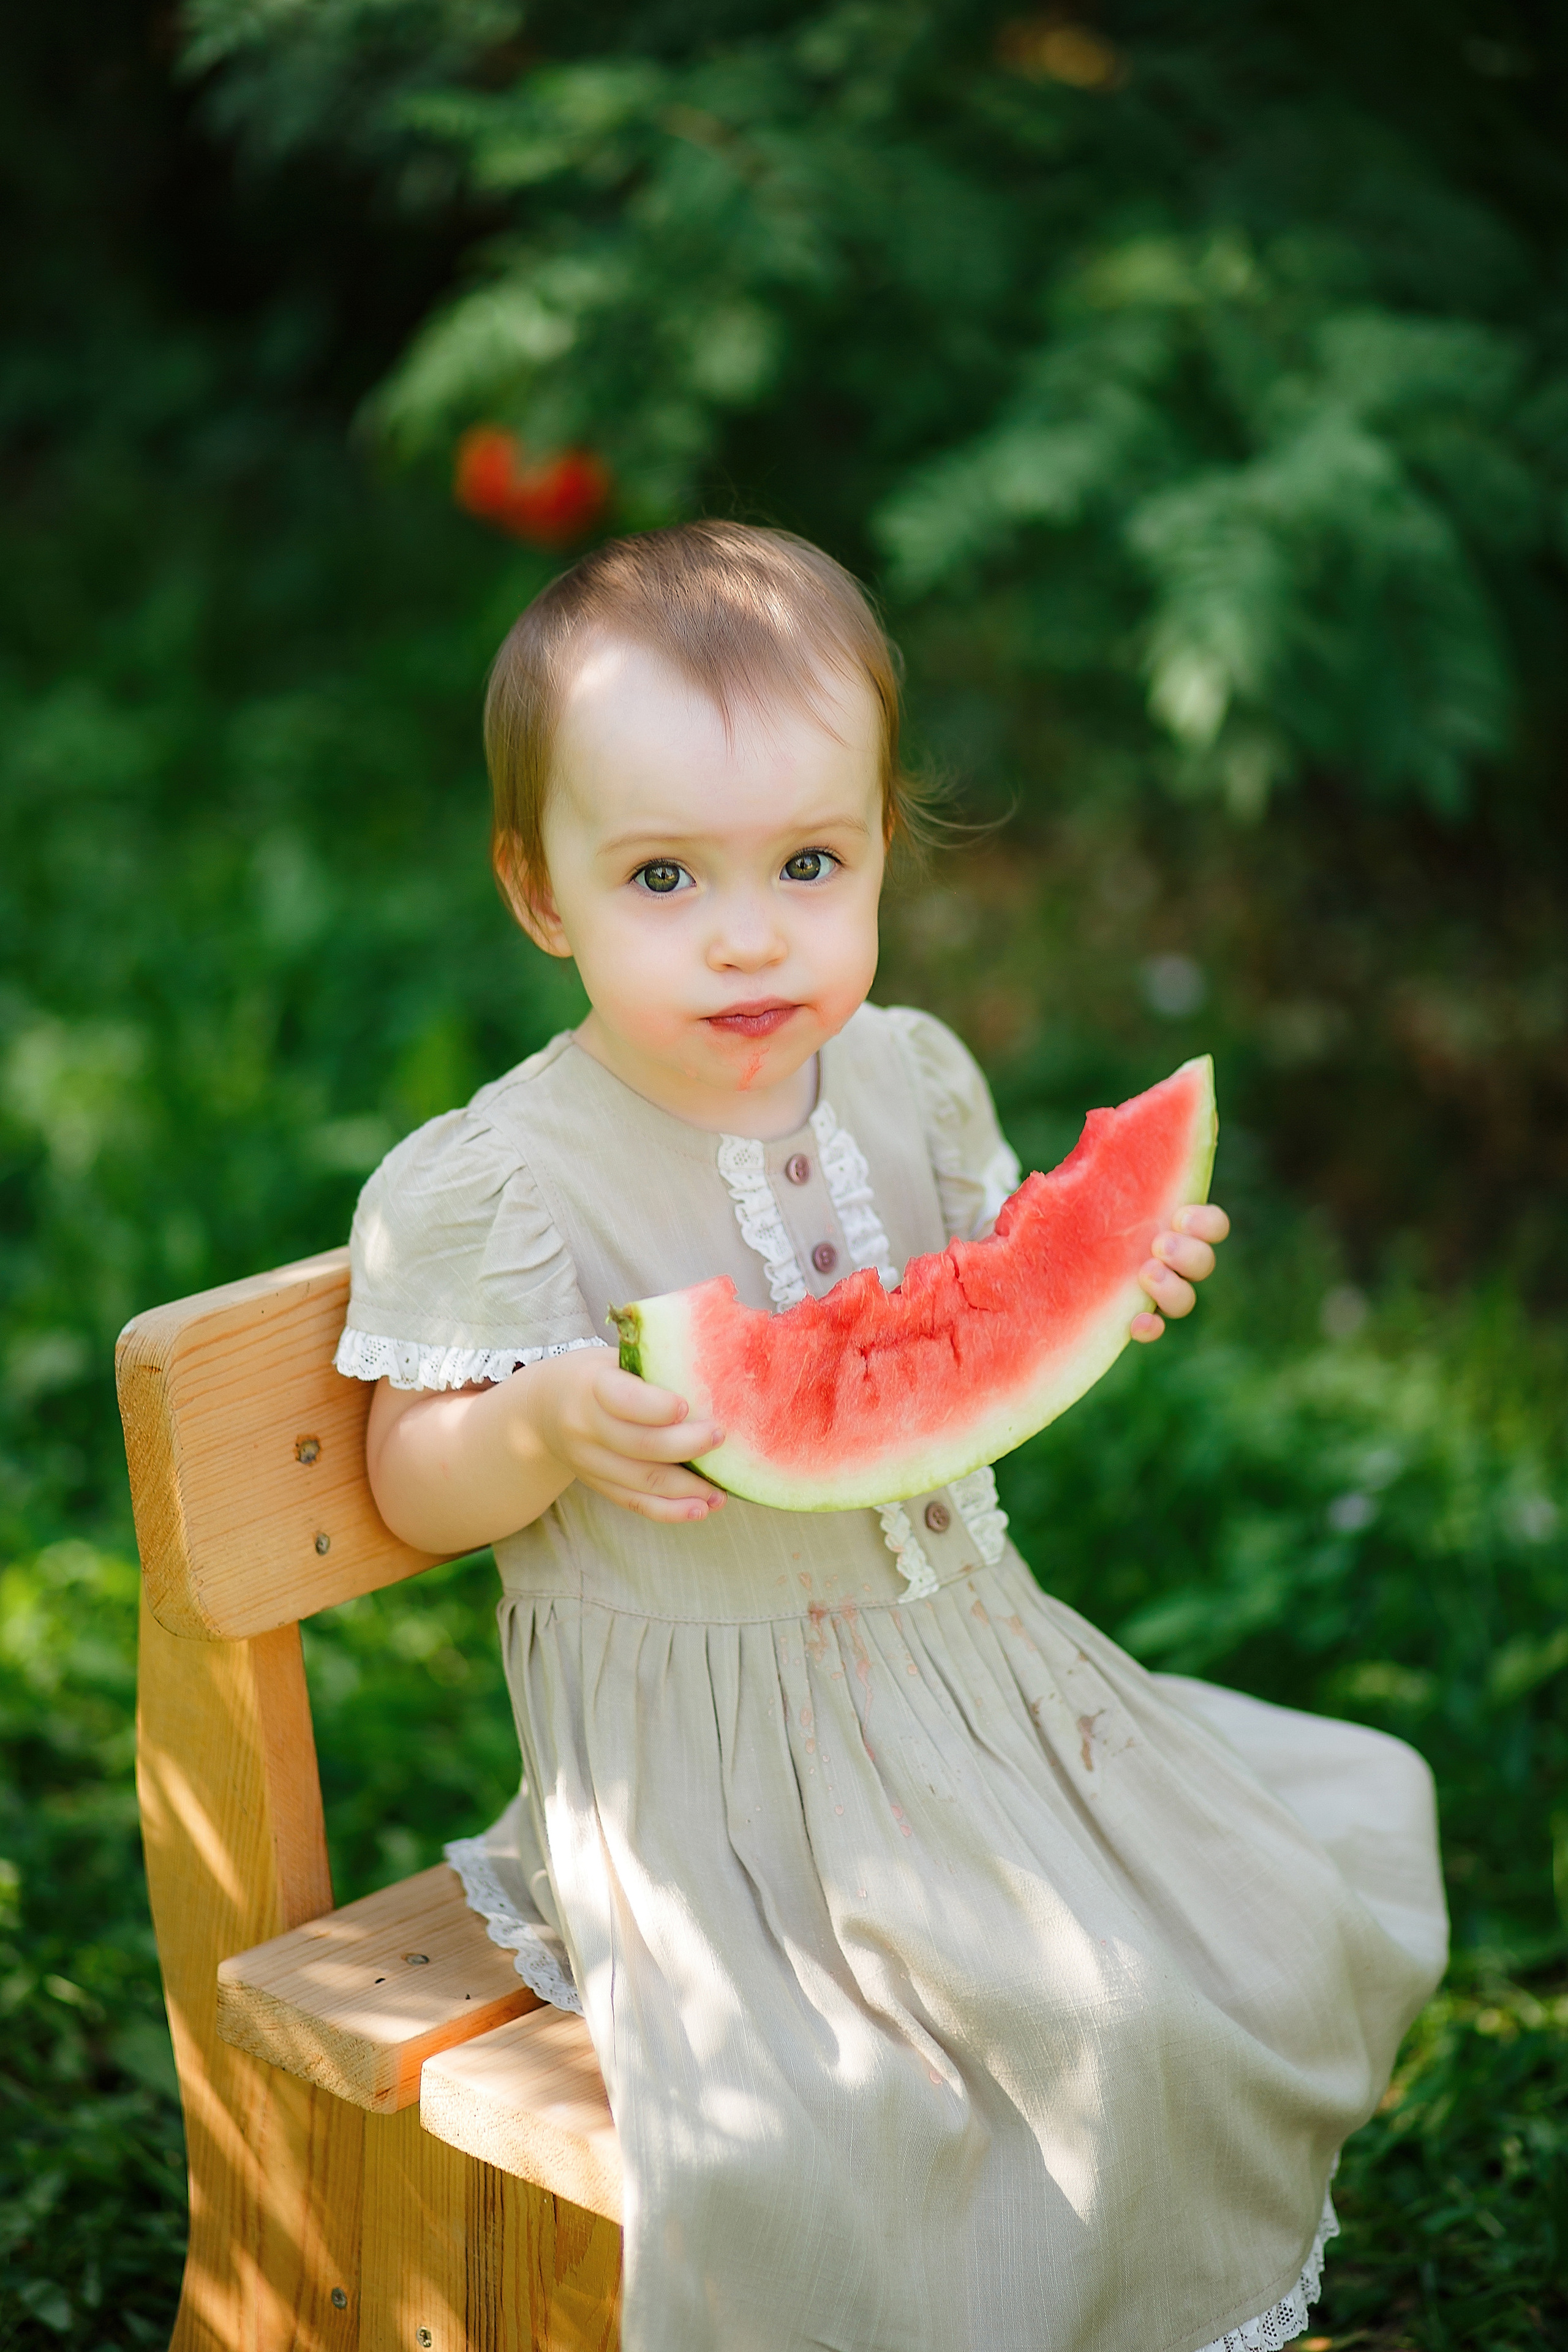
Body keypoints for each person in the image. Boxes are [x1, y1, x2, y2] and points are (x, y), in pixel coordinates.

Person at [336, 521, 1447, 2352]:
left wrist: (1110, 1265)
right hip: (720, 1792)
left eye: (811, 862)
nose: (752, 931)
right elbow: (401, 1477)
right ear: (542, 894)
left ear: (883, 849)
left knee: (1285, 1888)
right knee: (1074, 2032)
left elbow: (993, 1290)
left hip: (975, 1678)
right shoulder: (499, 1187)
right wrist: (533, 1426)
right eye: (667, 878)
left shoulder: (912, 1077)